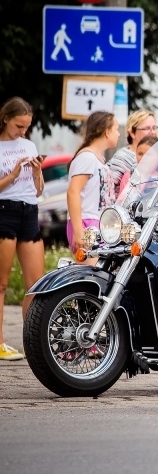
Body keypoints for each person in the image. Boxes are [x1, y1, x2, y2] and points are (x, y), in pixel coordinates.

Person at [0, 97, 45, 361]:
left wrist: (37, 172)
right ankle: (0, 342)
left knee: (36, 284)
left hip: (30, 210)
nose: (23, 131)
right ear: (6, 119)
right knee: (2, 283)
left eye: (26, 126)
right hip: (4, 210)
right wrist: (14, 174)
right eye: (19, 126)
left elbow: (38, 190)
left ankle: (32, 344)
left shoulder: (29, 145)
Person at [67, 111, 119, 263]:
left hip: (99, 224)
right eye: (116, 129)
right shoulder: (87, 158)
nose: (118, 133)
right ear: (107, 132)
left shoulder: (97, 159)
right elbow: (73, 192)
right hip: (87, 225)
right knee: (91, 274)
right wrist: (79, 231)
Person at [106, 109, 158, 198]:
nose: (152, 132)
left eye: (154, 128)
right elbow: (108, 187)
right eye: (147, 128)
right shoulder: (123, 157)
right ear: (132, 133)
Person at [117, 134, 158, 200]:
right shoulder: (129, 177)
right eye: (140, 154)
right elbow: (121, 201)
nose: (143, 158)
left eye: (148, 154)